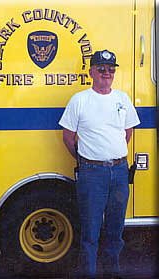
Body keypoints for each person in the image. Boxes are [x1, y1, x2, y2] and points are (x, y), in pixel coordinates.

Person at [59, 50, 140, 279]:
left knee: (116, 229)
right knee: (90, 232)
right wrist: (87, 161)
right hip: (91, 173)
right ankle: (89, 274)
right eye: (102, 69)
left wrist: (113, 157)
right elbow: (68, 137)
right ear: (91, 72)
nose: (107, 73)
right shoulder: (80, 100)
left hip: (119, 171)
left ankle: (112, 273)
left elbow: (128, 132)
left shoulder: (122, 99)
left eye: (111, 69)